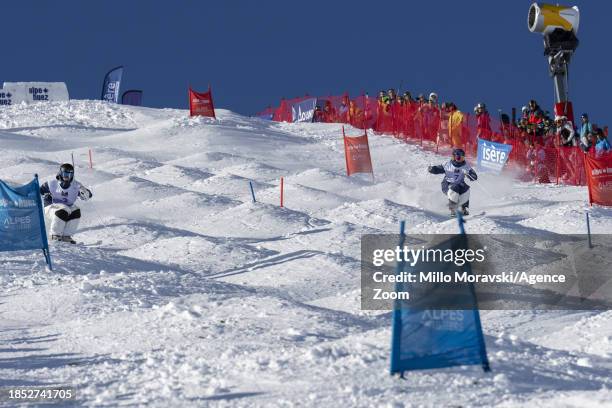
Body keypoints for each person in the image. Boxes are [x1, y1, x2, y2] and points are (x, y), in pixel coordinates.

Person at [39, 163, 92, 244]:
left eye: (69, 174)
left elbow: (87, 196)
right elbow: (39, 190)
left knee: (76, 211)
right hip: (51, 206)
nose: (66, 176)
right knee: (63, 209)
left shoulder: (76, 186)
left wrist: (85, 193)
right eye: (65, 173)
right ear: (60, 173)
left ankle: (66, 236)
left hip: (67, 207)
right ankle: (54, 235)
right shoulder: (52, 183)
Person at [427, 148, 478, 216]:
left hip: (459, 184)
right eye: (457, 158)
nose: (459, 160)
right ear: (453, 157)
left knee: (465, 188)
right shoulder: (448, 164)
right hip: (447, 184)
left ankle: (464, 208)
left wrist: (469, 175)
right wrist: (432, 169)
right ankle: (453, 209)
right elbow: (439, 169)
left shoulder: (466, 166)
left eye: (461, 158)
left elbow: (474, 177)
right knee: (454, 188)